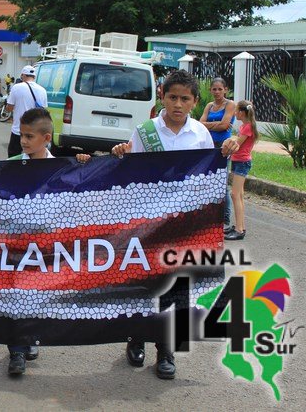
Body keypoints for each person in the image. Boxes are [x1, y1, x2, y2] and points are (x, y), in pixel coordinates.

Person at [107, 69, 239, 380]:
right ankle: (136, 337)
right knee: (142, 282)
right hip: (148, 223)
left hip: (182, 225)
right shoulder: (145, 131)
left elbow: (208, 175)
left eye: (185, 99)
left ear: (195, 102)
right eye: (173, 97)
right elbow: (130, 172)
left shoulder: (200, 134)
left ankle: (165, 349)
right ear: (163, 96)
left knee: (174, 285)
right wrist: (120, 154)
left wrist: (229, 147)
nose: (178, 104)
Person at [0, 108, 54, 375]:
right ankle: (16, 351)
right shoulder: (11, 165)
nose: (23, 141)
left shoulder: (61, 169)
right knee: (16, 296)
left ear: (46, 138)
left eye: (30, 136)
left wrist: (83, 162)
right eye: (22, 135)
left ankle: (30, 338)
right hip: (15, 245)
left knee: (37, 297)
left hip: (44, 247)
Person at [199, 77, 236, 233]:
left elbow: (225, 125)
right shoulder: (209, 106)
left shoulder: (230, 105)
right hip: (209, 145)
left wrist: (210, 125)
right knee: (207, 181)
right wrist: (217, 125)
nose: (217, 92)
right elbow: (200, 124)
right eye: (214, 89)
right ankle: (210, 216)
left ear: (225, 90)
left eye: (220, 89)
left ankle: (225, 219)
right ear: (210, 90)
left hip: (223, 147)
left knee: (222, 182)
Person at [225, 101, 259, 241]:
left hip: (242, 163)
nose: (235, 113)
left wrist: (230, 141)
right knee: (239, 195)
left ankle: (239, 230)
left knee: (235, 194)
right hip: (238, 161)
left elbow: (237, 144)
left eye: (236, 110)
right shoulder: (245, 126)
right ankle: (240, 226)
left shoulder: (247, 127)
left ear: (242, 112)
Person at [6, 65, 47, 157]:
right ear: (34, 77)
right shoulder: (43, 90)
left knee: (13, 157)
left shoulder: (16, 87)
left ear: (23, 75)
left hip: (19, 130)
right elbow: (44, 111)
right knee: (33, 158)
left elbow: (9, 108)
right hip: (35, 132)